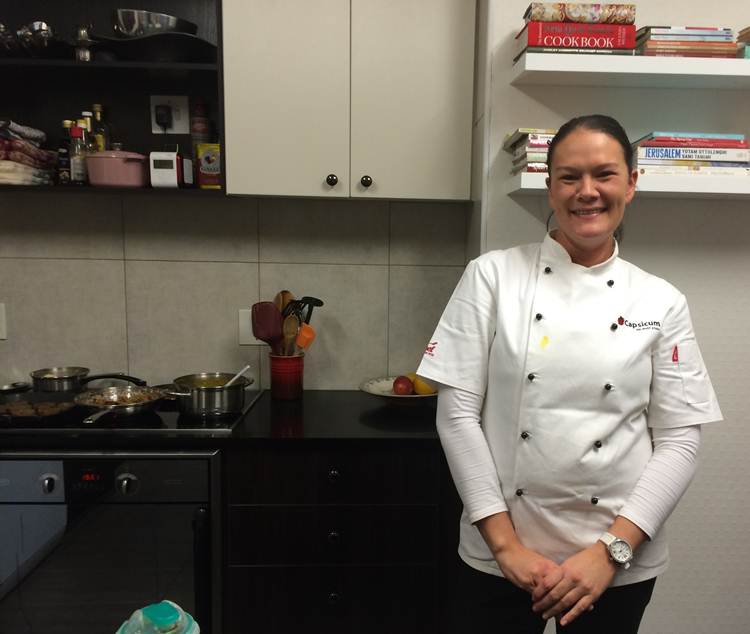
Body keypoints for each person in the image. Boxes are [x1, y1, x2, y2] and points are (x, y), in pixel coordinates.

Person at [417, 114, 722, 633]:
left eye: (604, 174)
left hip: (616, 563)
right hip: (500, 555)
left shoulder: (661, 300)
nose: (587, 192)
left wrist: (611, 551)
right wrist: (506, 547)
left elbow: (679, 441)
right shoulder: (491, 276)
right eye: (569, 176)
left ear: (631, 183)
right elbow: (457, 416)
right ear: (549, 185)